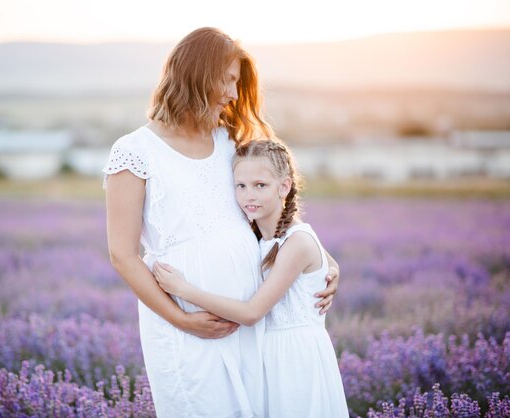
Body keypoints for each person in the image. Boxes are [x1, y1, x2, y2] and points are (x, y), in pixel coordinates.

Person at [103, 27, 340, 418]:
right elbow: (122, 255)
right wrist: (183, 319)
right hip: (185, 326)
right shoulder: (134, 151)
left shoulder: (230, 142)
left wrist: (327, 263)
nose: (233, 94)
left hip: (249, 328)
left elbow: (271, 213)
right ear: (197, 74)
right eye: (227, 81)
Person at [153, 138, 349, 417]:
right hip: (265, 356)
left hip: (296, 360)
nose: (249, 196)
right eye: (241, 186)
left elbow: (251, 313)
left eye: (260, 185)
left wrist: (184, 290)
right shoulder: (257, 237)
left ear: (284, 187)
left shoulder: (297, 242)